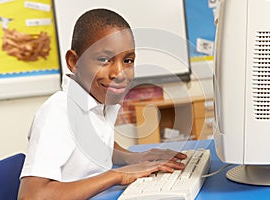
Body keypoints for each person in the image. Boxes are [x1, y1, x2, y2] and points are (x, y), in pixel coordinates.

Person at [18, 8, 186, 200]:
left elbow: (94, 145)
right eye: (104, 60)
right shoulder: (59, 111)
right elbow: (31, 196)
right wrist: (117, 175)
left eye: (128, 60)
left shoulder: (97, 102)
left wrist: (132, 158)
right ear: (74, 61)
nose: (119, 73)